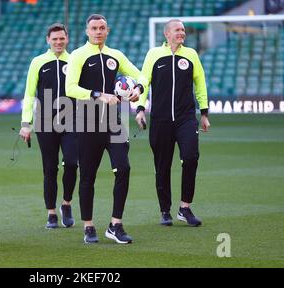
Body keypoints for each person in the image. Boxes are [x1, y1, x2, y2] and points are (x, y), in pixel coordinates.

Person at [66, 14, 146, 244]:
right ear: (86, 31)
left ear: (107, 31)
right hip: (88, 123)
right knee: (88, 177)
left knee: (124, 168)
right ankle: (88, 226)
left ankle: (115, 224)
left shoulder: (116, 55)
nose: (98, 32)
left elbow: (140, 74)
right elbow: (70, 88)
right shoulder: (78, 56)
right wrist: (98, 95)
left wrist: (139, 87)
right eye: (94, 28)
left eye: (102, 28)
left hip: (114, 124)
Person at [135, 19, 210, 227]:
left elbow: (200, 83)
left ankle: (184, 208)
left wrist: (204, 112)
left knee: (191, 157)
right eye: (178, 30)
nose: (182, 33)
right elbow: (143, 81)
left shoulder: (191, 55)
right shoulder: (154, 55)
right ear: (167, 34)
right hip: (160, 120)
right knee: (162, 166)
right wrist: (140, 109)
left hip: (186, 118)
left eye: (183, 30)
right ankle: (165, 210)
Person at [19, 23, 78, 229]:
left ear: (67, 39)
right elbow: (29, 94)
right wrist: (26, 123)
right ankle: (51, 213)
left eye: (62, 38)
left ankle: (66, 204)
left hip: (72, 121)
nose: (58, 42)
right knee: (50, 168)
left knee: (72, 163)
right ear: (48, 40)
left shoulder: (74, 60)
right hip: (45, 122)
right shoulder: (38, 62)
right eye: (54, 39)